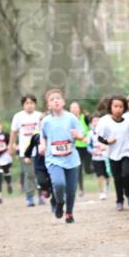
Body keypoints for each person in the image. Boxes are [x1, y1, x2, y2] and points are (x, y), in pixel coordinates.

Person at [39, 88, 83, 222]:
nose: (56, 100)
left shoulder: (71, 118)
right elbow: (43, 136)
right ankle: (59, 203)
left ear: (63, 102)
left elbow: (81, 134)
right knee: (59, 184)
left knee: (71, 188)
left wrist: (78, 136)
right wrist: (42, 145)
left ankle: (69, 213)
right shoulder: (46, 121)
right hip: (53, 159)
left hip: (71, 159)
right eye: (52, 99)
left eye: (58, 98)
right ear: (48, 105)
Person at [97, 95, 129, 211]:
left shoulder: (128, 122)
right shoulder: (106, 122)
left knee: (127, 174)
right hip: (113, 155)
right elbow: (100, 138)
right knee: (117, 178)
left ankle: (128, 193)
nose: (118, 109)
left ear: (124, 108)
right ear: (110, 107)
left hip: (126, 153)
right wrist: (106, 141)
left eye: (121, 106)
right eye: (115, 106)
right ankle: (119, 200)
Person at [9, 94, 42, 206]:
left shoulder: (39, 116)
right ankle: (30, 197)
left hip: (39, 150)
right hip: (25, 150)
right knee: (29, 174)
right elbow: (14, 132)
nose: (29, 106)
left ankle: (42, 195)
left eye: (32, 103)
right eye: (27, 103)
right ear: (23, 105)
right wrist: (11, 146)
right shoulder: (18, 117)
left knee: (40, 173)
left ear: (35, 104)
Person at [69, 101, 92, 196]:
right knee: (78, 169)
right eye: (72, 108)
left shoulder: (85, 118)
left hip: (86, 147)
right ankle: (81, 189)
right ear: (70, 110)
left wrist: (88, 137)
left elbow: (92, 129)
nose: (74, 109)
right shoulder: (68, 120)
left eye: (76, 107)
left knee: (88, 169)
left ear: (79, 109)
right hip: (76, 148)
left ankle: (102, 171)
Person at [88, 114, 109, 200]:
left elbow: (110, 143)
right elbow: (88, 146)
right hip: (96, 158)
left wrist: (106, 147)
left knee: (107, 176)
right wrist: (93, 151)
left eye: (98, 120)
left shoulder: (105, 132)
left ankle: (106, 188)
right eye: (94, 121)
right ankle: (101, 192)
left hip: (106, 158)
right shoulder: (90, 134)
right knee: (100, 176)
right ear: (92, 123)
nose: (96, 123)